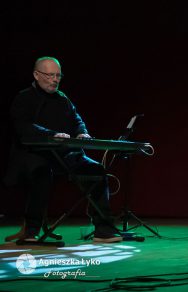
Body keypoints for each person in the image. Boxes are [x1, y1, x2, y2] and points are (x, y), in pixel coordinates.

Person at [5, 57, 122, 243]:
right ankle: (31, 231)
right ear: (36, 75)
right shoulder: (24, 98)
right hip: (35, 153)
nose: (55, 80)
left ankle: (103, 229)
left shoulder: (62, 98)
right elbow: (24, 127)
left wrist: (82, 132)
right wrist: (52, 135)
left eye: (58, 75)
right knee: (41, 172)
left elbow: (77, 120)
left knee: (96, 170)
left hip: (64, 154)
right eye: (50, 75)